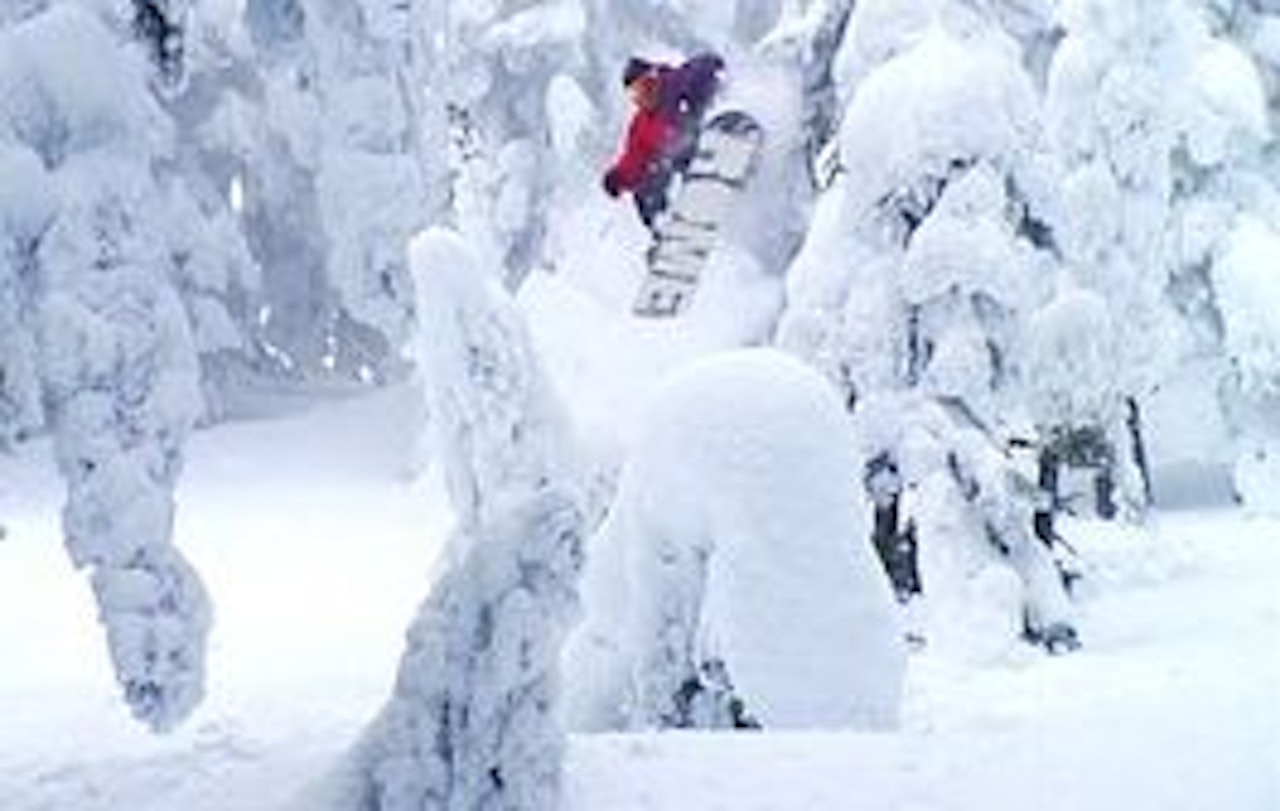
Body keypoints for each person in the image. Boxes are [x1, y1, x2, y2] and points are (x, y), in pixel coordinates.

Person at [602, 52, 725, 230]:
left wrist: (709, 76)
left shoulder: (674, 83)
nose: (640, 97)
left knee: (675, 146)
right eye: (634, 94)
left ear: (653, 79)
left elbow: (705, 66)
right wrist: (618, 178)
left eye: (643, 87)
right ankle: (665, 227)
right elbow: (634, 158)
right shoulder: (642, 123)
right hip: (679, 164)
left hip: (698, 143)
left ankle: (717, 149)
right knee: (644, 189)